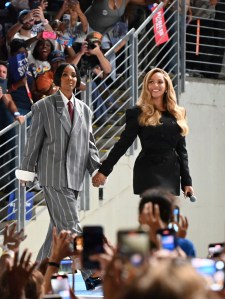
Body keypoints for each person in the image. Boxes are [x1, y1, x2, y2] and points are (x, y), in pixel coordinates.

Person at [15, 62, 102, 290]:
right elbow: (33, 143)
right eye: (65, 75)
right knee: (73, 227)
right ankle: (91, 271)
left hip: (75, 178)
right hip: (52, 177)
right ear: (57, 79)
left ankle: (32, 276)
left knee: (56, 233)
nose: (70, 79)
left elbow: (90, 144)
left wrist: (97, 169)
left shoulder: (85, 109)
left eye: (73, 75)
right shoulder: (44, 106)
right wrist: (27, 171)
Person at [93, 68, 194, 197]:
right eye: (151, 82)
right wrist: (104, 171)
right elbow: (123, 143)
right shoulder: (137, 113)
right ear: (146, 86)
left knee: (165, 215)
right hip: (148, 171)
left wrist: (187, 182)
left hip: (171, 172)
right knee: (153, 213)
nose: (155, 85)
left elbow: (182, 151)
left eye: (160, 82)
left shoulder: (178, 113)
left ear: (167, 86)